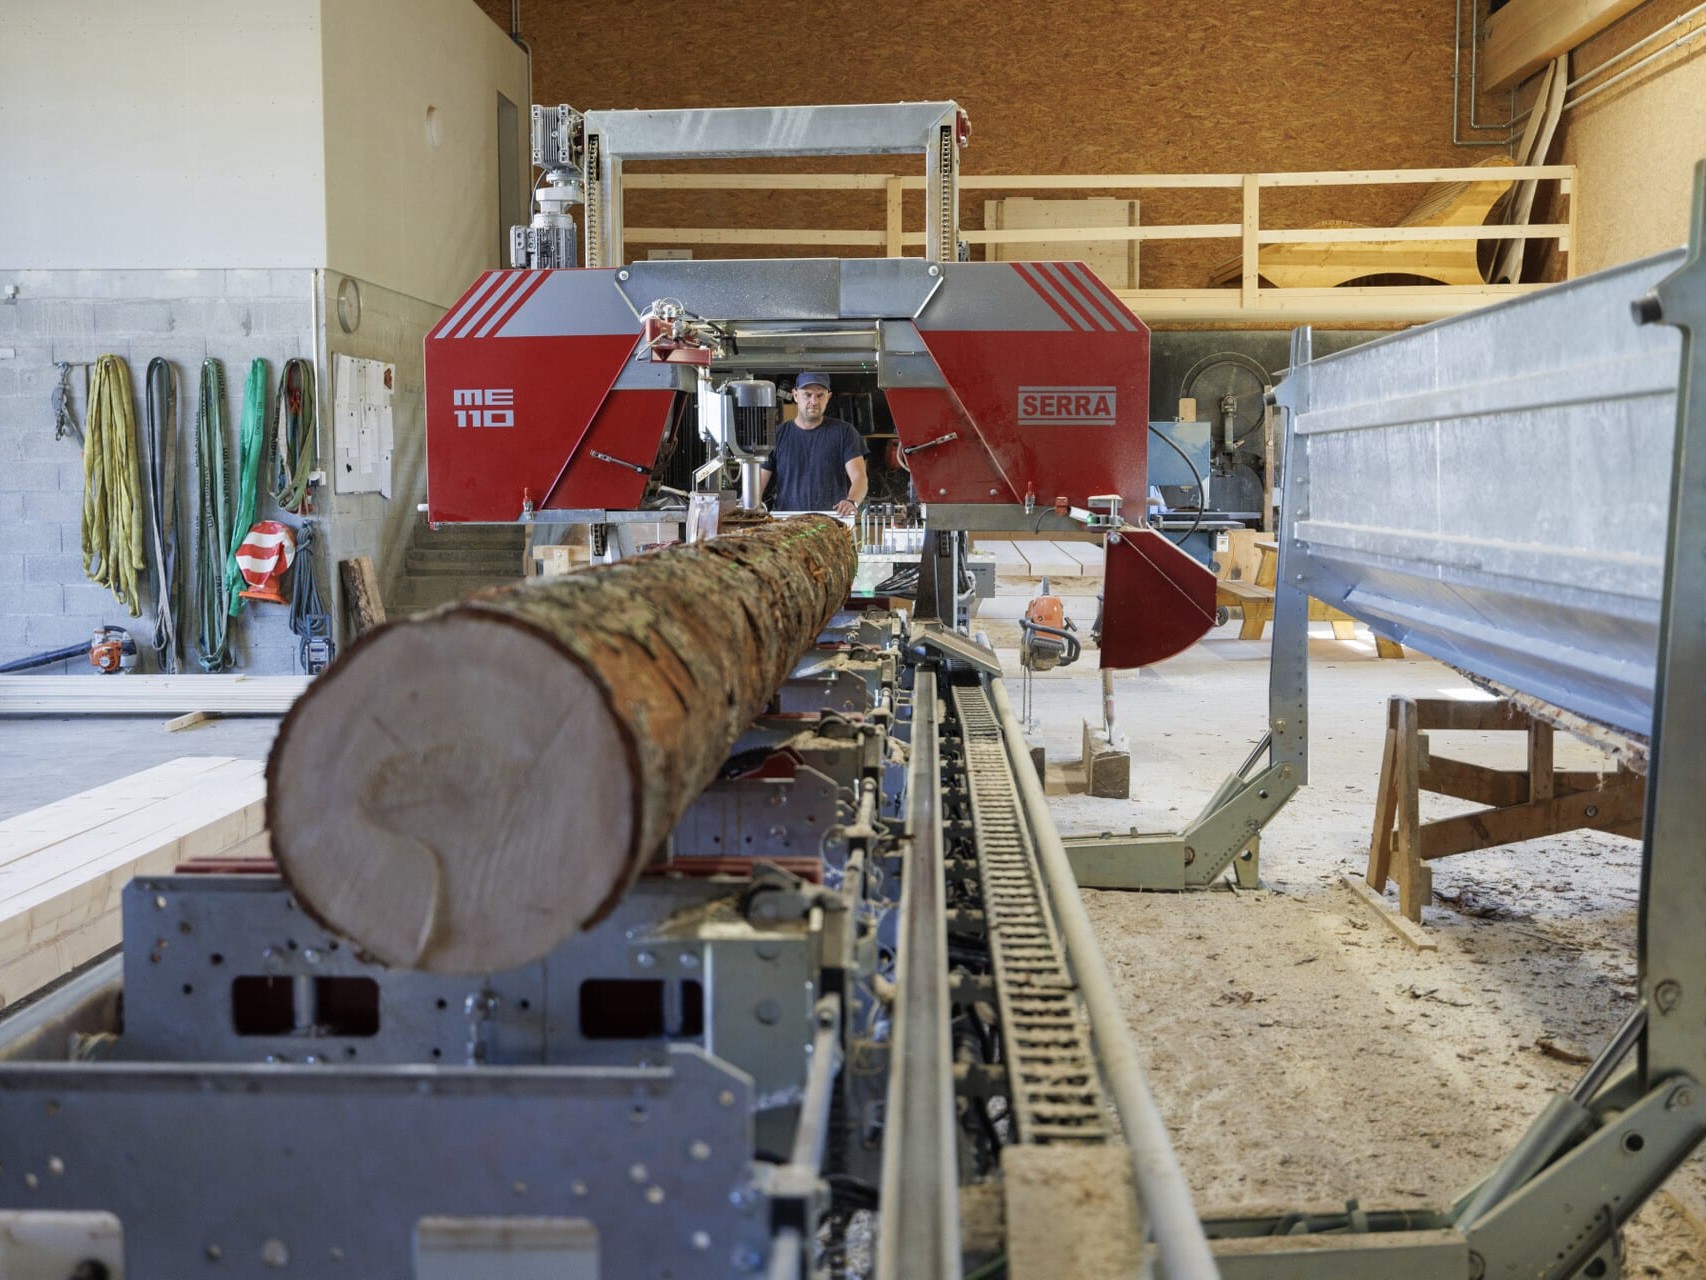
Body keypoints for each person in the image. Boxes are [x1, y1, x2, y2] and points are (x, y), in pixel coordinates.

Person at [760, 372, 867, 516]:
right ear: (795, 395)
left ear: (828, 397)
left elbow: (859, 477)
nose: (814, 401)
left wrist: (852, 501)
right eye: (808, 394)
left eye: (820, 395)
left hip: (832, 521)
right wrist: (747, 508)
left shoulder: (845, 432)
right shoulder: (776, 435)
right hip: (786, 522)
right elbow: (758, 482)